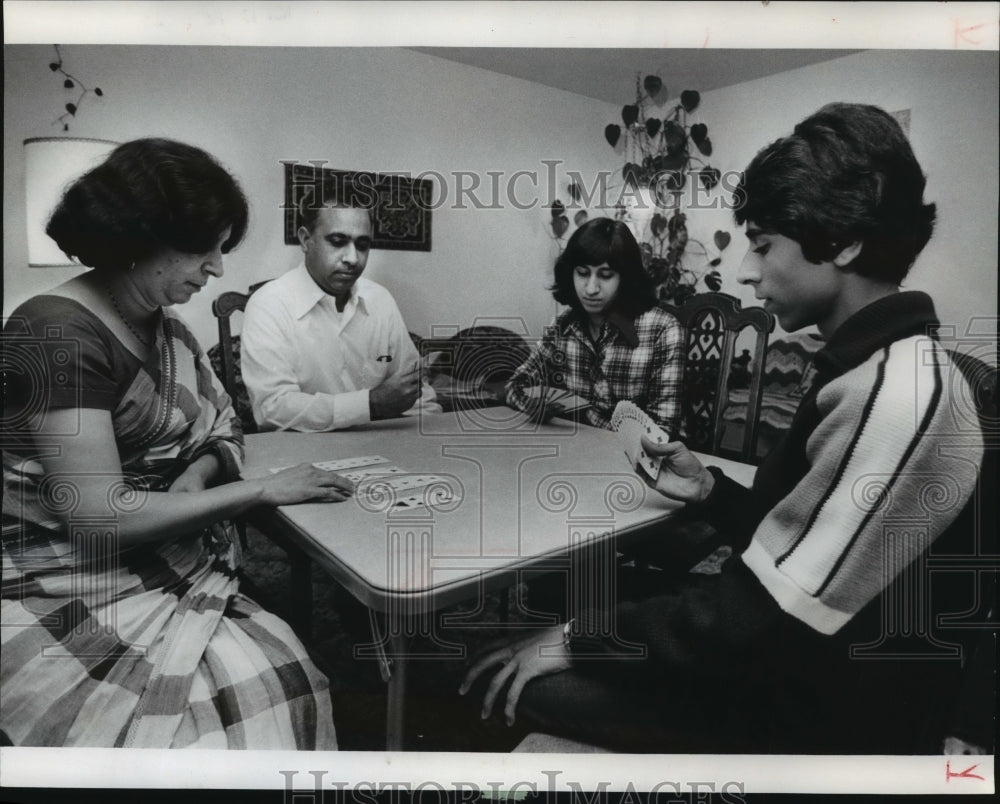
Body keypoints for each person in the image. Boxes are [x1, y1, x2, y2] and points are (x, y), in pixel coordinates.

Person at [460, 103, 993, 754]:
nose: (745, 270)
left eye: (762, 245)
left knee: (522, 678)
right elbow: (803, 538)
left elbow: (761, 617)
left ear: (845, 241)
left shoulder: (896, 396)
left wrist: (577, 639)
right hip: (797, 655)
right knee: (574, 606)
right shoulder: (877, 367)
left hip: (816, 706)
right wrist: (712, 491)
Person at [1, 138, 350, 749]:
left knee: (287, 672)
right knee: (250, 702)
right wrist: (257, 491)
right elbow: (98, 519)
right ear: (138, 236)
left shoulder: (167, 327)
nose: (217, 269)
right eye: (204, 248)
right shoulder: (54, 331)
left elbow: (223, 423)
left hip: (163, 543)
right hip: (64, 570)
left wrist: (198, 474)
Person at [240, 189, 441, 432]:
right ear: (305, 240)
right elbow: (273, 410)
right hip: (302, 449)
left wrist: (429, 435)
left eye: (363, 245)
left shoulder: (380, 300)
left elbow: (416, 395)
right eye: (337, 242)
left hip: (380, 446)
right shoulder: (268, 304)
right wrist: (371, 403)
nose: (353, 259)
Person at [504, 217, 684, 434]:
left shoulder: (663, 330)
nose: (590, 289)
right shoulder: (563, 326)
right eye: (582, 273)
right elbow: (515, 386)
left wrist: (586, 416)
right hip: (577, 448)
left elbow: (662, 432)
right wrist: (532, 405)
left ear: (626, 278)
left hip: (634, 454)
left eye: (605, 275)